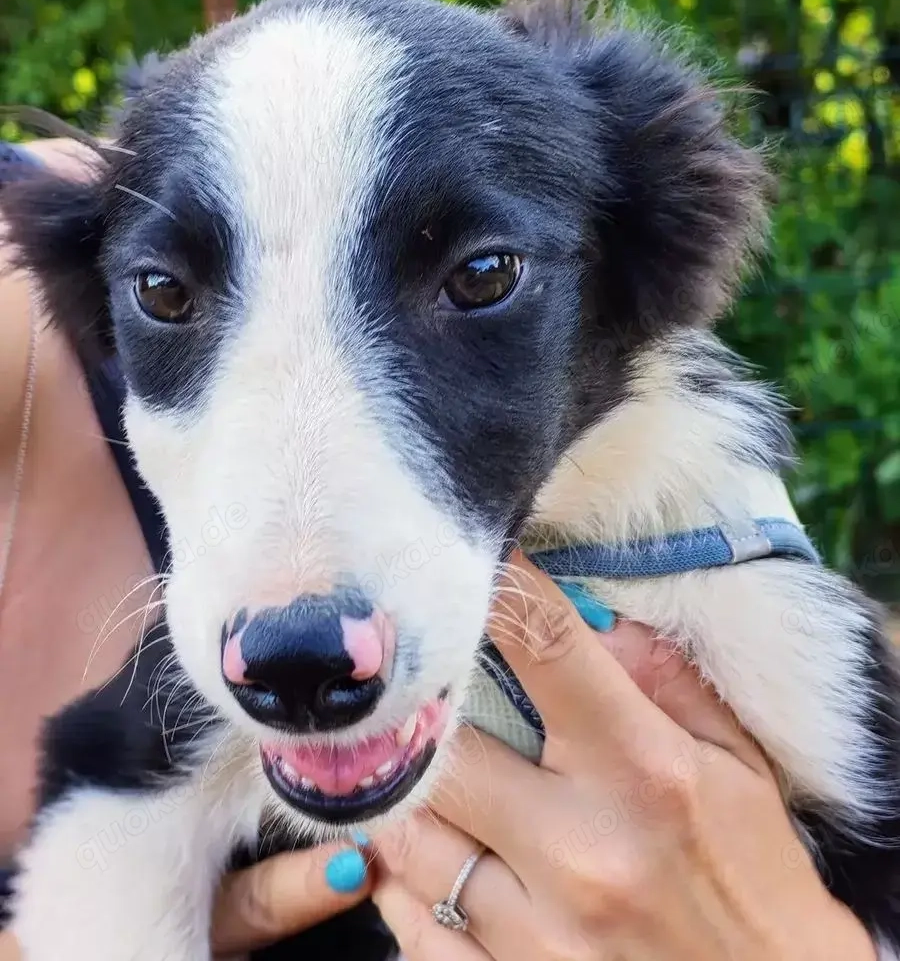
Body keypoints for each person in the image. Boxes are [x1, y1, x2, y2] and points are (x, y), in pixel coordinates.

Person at [0, 137, 877, 960]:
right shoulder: (120, 219)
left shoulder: (722, 567)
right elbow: (112, 820)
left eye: (481, 277)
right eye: (165, 298)